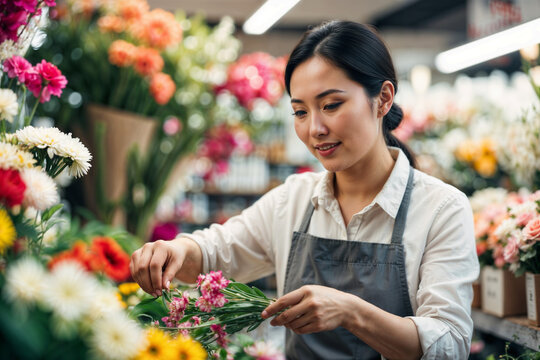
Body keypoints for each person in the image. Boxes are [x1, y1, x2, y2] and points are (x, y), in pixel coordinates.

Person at [130, 20, 479, 360]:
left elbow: (449, 343)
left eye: (331, 105)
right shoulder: (294, 200)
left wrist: (351, 312)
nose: (315, 128)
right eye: (300, 111)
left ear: (383, 99)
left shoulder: (440, 209)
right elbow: (216, 254)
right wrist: (176, 250)